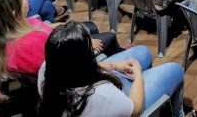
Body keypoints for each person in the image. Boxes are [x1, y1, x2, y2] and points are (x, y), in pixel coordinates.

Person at [39, 22, 188, 116]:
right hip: (125, 103)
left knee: (143, 52)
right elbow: (135, 109)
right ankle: (177, 113)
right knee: (176, 70)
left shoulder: (47, 70)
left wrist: (114, 65)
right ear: (85, 59)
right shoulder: (102, 96)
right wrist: (138, 76)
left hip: (107, 88)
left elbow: (74, 67)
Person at [0, 0, 119, 78]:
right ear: (14, 13)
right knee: (110, 37)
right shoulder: (29, 44)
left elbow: (40, 29)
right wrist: (86, 44)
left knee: (91, 26)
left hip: (57, 44)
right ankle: (117, 73)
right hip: (74, 64)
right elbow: (66, 65)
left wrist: (55, 26)